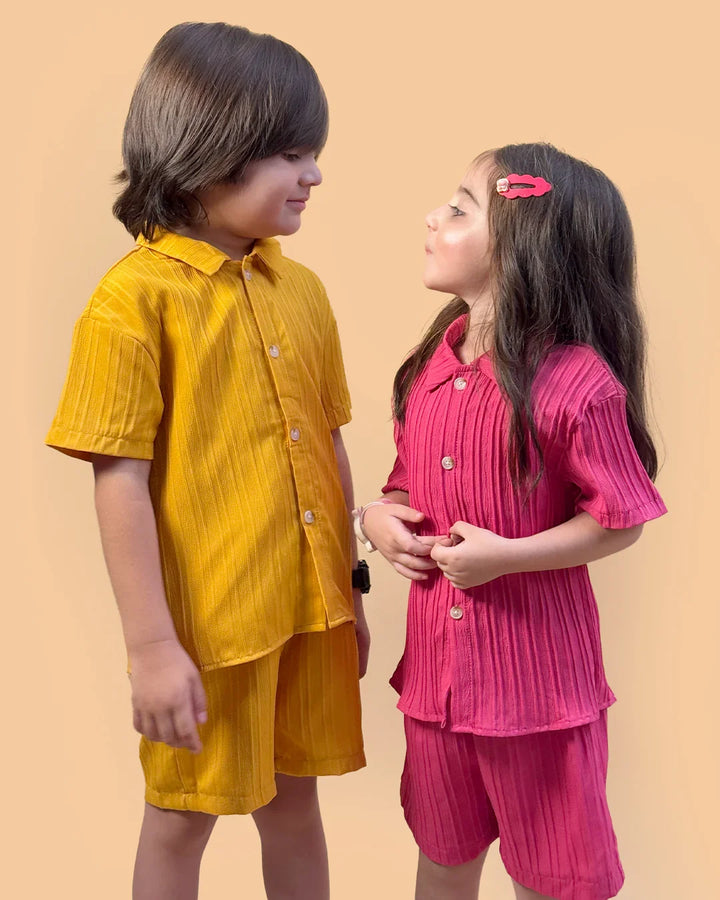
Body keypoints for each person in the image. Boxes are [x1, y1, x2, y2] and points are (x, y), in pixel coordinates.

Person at [45, 22, 369, 900]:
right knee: (183, 819)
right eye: (292, 154)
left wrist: (350, 587)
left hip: (308, 612)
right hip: (210, 630)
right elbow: (119, 481)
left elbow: (328, 441)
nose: (314, 175)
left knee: (296, 802)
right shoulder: (131, 303)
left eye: (315, 153)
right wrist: (152, 647)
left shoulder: (300, 289)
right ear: (208, 153)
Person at [355, 143, 666, 900]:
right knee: (441, 860)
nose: (433, 217)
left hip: (538, 698)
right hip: (436, 692)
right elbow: (403, 488)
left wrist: (508, 555)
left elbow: (620, 519)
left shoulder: (576, 382)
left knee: (556, 881)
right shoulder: (430, 363)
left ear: (526, 244)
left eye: (460, 208)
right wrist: (377, 520)